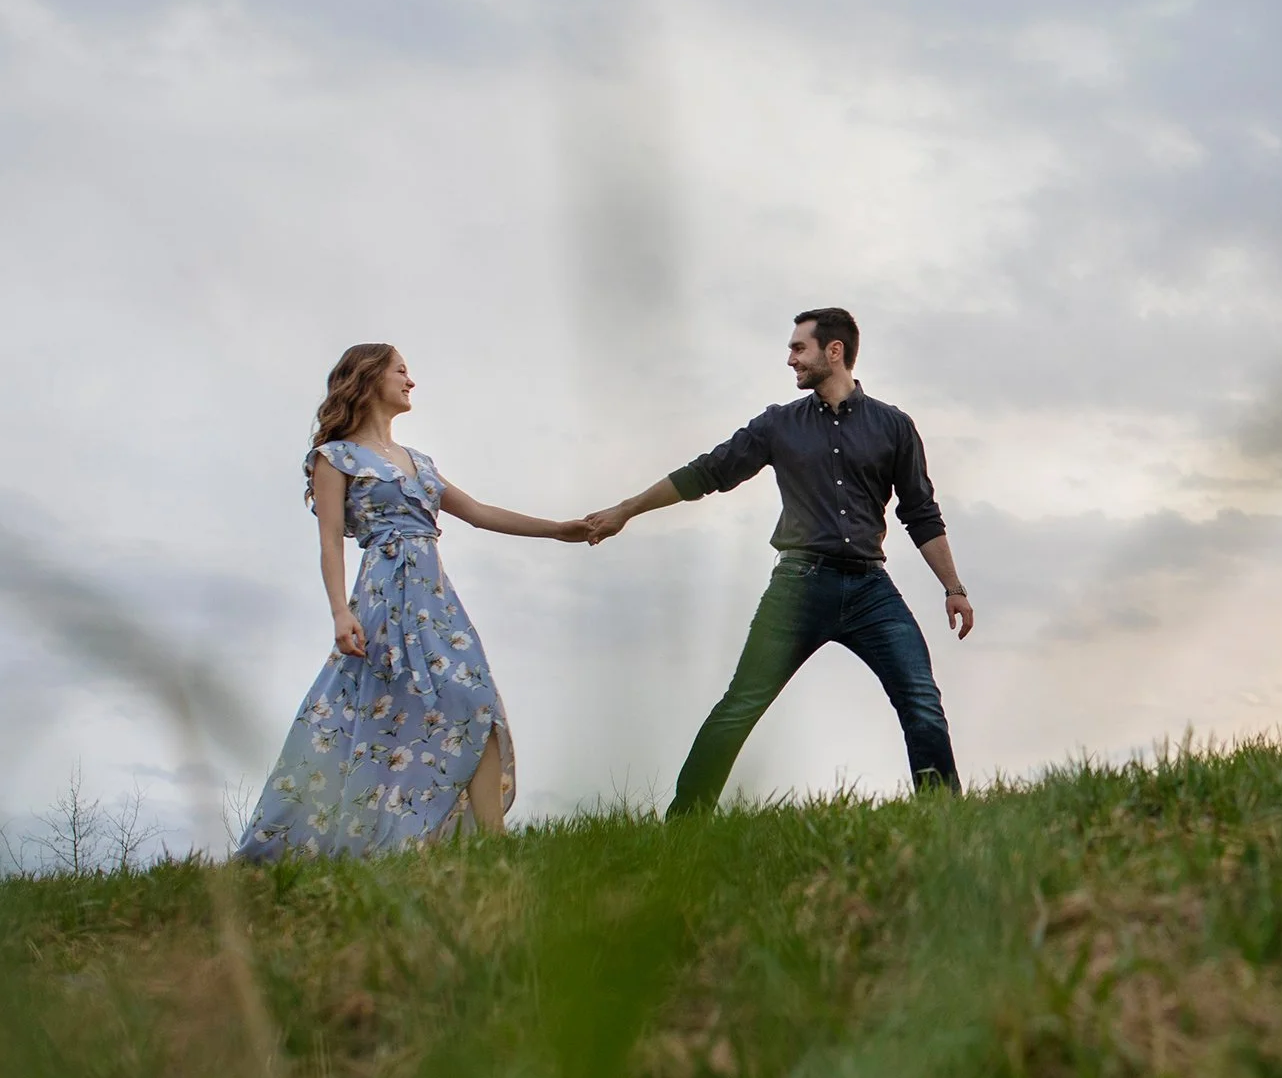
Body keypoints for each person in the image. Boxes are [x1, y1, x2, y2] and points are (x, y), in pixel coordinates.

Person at [582, 307, 972, 811]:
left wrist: (953, 587)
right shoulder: (778, 425)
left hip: (872, 590)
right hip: (798, 586)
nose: (790, 359)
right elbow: (707, 473)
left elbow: (920, 512)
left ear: (835, 352)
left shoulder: (894, 427)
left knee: (921, 701)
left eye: (798, 348)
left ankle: (942, 814)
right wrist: (626, 510)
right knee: (741, 704)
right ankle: (684, 825)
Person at [233, 343, 587, 861]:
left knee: (474, 699)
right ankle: (322, 836)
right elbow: (330, 540)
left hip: (435, 597)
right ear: (369, 377)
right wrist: (339, 613)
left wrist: (559, 530)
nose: (411, 381)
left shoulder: (418, 463)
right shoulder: (335, 459)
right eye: (401, 370)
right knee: (367, 715)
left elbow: (480, 512)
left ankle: (493, 846)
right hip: (381, 596)